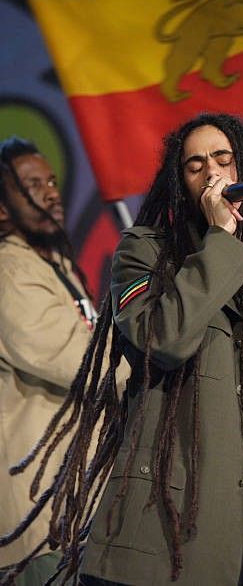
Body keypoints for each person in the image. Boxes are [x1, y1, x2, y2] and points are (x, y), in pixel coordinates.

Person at [0, 114, 243, 586]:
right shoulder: (143, 256)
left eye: (224, 159)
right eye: (195, 165)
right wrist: (222, 241)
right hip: (170, 534)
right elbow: (162, 340)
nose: (213, 174)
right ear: (180, 183)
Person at [0, 137, 98, 584]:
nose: (51, 193)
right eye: (32, 184)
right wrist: (158, 354)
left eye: (52, 181)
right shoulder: (10, 270)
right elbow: (76, 360)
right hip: (40, 521)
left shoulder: (55, 262)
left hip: (74, 507)